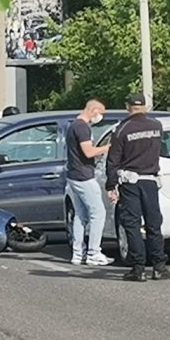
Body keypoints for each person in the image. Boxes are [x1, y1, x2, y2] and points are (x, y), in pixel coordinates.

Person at [106, 93, 170, 281]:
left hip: (131, 182)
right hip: (151, 181)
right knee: (154, 224)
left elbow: (113, 160)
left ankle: (138, 269)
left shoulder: (122, 129)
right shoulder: (156, 126)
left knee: (132, 224)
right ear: (145, 106)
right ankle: (159, 266)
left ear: (128, 106)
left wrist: (110, 185)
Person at [66, 99, 113, 266]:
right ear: (93, 110)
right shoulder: (82, 127)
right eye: (100, 113)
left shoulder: (74, 125)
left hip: (73, 175)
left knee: (80, 215)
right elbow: (88, 152)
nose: (100, 117)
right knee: (98, 213)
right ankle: (94, 252)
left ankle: (78, 253)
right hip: (84, 176)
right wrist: (107, 148)